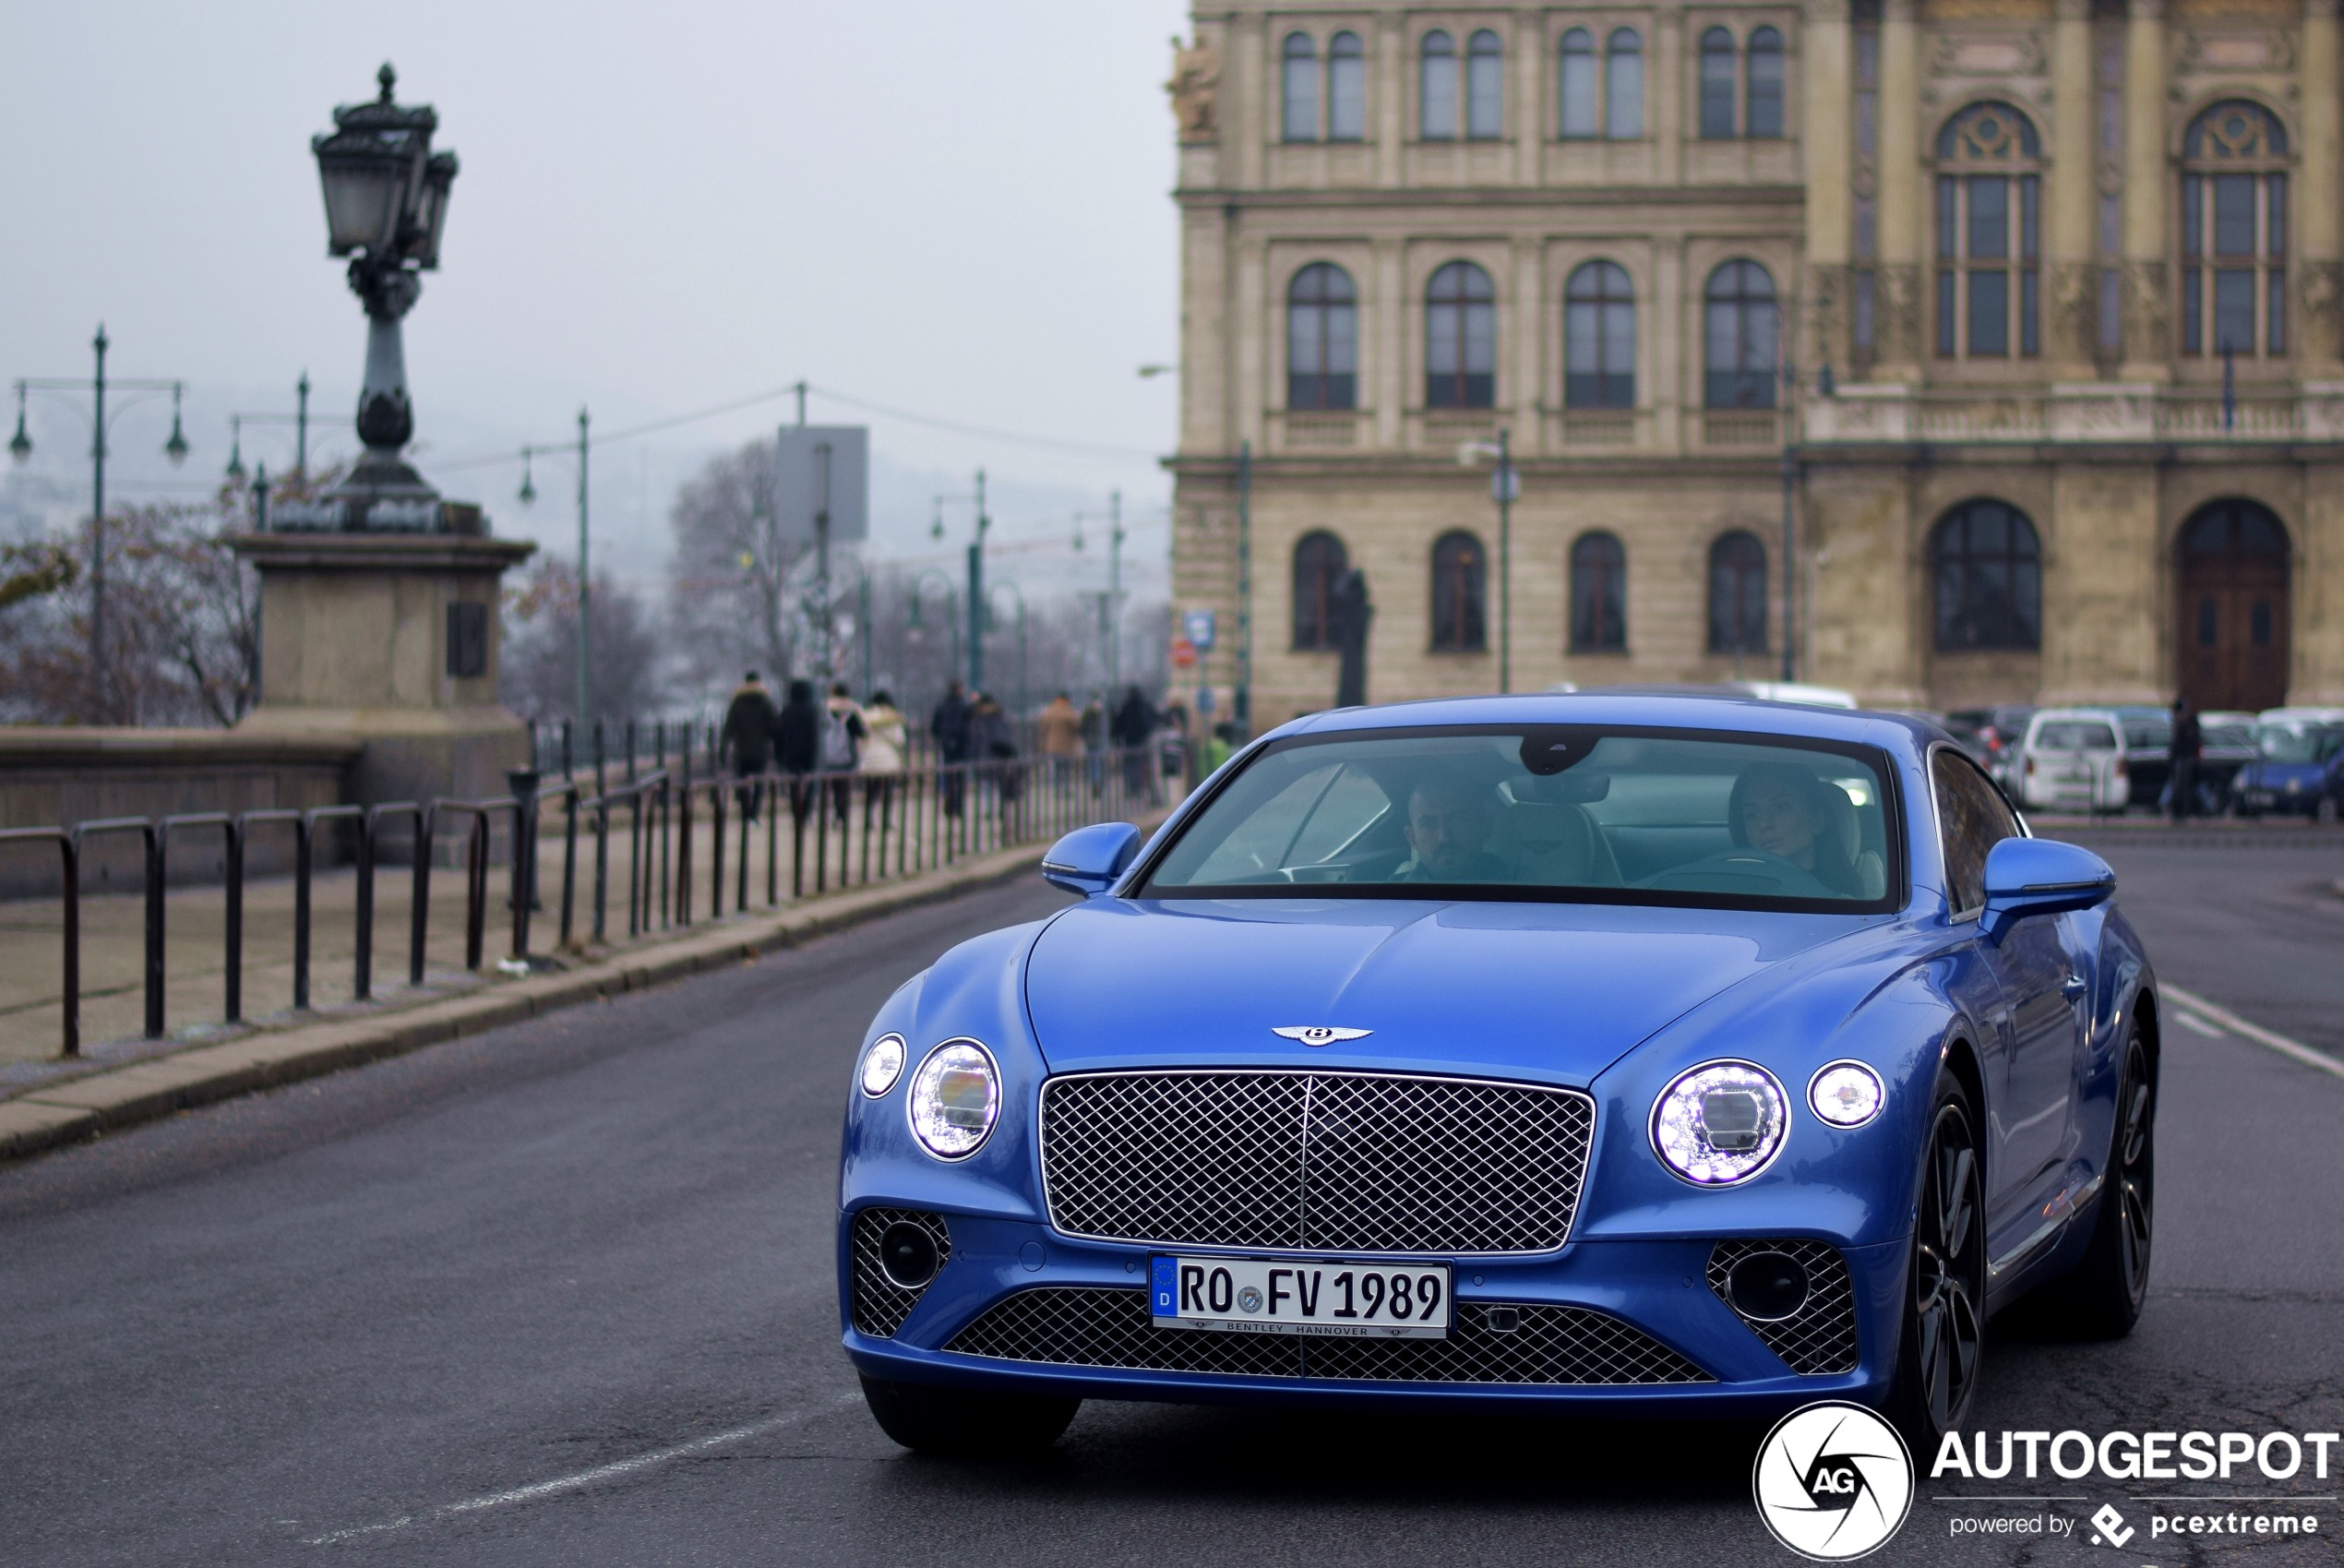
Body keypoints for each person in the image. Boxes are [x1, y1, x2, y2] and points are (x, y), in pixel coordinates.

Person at [1726, 762, 1873, 897]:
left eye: (1781, 807)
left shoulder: (1850, 904)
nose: (1764, 824)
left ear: (1817, 820)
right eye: (1751, 815)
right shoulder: (1730, 893)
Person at [1396, 774, 1509, 883]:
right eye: (1428, 824)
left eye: (1458, 820)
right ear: (1412, 838)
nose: (1444, 838)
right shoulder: (1396, 899)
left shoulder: (1507, 876)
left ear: (1485, 827)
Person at [718, 671, 778, 820]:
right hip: (760, 751)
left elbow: (729, 728)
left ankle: (745, 812)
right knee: (758, 782)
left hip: (742, 751)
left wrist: (724, 748)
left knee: (743, 782)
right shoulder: (765, 702)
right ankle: (754, 814)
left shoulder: (737, 703)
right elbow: (775, 728)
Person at [774, 678, 821, 821]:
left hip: (791, 754)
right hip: (809, 753)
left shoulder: (787, 711)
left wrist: (780, 755)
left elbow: (779, 734)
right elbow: (815, 734)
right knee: (810, 783)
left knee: (794, 784)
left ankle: (796, 811)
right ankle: (806, 811)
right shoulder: (812, 711)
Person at [821, 682, 867, 825]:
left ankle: (833, 815)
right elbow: (862, 732)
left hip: (829, 755)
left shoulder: (825, 710)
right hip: (848, 756)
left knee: (833, 786)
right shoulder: (852, 712)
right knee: (845, 787)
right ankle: (842, 815)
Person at [931, 680, 973, 820]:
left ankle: (949, 805)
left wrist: (943, 737)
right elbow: (970, 724)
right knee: (960, 776)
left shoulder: (942, 706)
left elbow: (934, 727)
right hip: (962, 745)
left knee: (950, 776)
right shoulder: (965, 706)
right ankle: (958, 807)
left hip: (948, 744)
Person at [1112, 684, 1159, 803]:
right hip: (1142, 741)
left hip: (1129, 742)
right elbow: (1154, 718)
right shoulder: (1144, 705)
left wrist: (1116, 738)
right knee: (1142, 766)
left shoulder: (1126, 707)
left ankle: (1131, 788)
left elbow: (1118, 724)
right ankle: (1142, 789)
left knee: (1129, 766)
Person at [2169, 697, 2202, 822]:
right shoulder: (2186, 722)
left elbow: (2184, 742)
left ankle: (2181, 810)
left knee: (2182, 786)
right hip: (2183, 758)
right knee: (2182, 786)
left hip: (2184, 758)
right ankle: (2181, 809)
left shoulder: (2185, 723)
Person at [1079, 696, 1106, 798]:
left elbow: (1081, 728)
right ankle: (1099, 782)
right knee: (1098, 762)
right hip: (1099, 741)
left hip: (1089, 741)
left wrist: (1085, 736)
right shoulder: (1102, 713)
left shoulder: (1087, 713)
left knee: (1092, 763)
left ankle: (1094, 782)